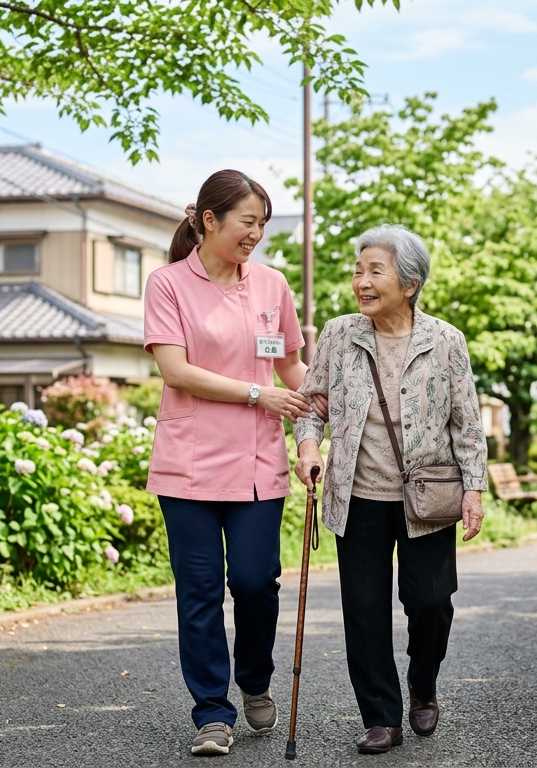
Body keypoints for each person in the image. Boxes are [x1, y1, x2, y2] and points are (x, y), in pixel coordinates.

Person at [293, 224, 488, 755]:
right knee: (364, 610)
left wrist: (473, 490)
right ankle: (381, 716)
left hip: (427, 496)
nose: (362, 281)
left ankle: (423, 683)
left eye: (375, 271)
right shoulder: (339, 334)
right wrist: (308, 447)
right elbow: (312, 403)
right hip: (358, 495)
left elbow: (467, 423)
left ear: (409, 283)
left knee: (431, 603)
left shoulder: (445, 341)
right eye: (358, 271)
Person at [144, 170, 317, 757]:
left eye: (262, 224)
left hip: (257, 464)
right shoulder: (168, 283)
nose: (256, 234)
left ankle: (255, 680)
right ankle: (212, 713)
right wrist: (256, 393)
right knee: (198, 593)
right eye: (248, 221)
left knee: (254, 582)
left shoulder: (272, 285)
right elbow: (176, 371)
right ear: (209, 220)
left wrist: (332, 407)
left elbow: (291, 370)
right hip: (188, 468)